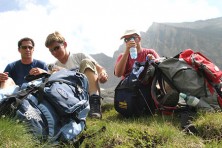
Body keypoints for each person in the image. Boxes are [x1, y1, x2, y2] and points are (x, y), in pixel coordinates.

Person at [44, 31, 108, 119]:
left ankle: (95, 106)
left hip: (87, 92)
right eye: (51, 50)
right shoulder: (54, 66)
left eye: (57, 48)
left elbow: (100, 69)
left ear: (65, 44)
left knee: (86, 62)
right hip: (71, 97)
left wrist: (102, 74)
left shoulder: (79, 56)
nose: (54, 52)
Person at [114, 29, 160, 116]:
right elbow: (118, 73)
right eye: (126, 40)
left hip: (147, 88)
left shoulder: (149, 52)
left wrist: (153, 60)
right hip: (129, 91)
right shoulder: (122, 56)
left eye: (131, 38)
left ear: (138, 39)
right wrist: (127, 52)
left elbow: (160, 65)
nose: (129, 41)